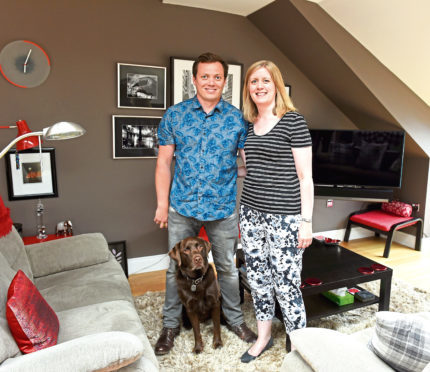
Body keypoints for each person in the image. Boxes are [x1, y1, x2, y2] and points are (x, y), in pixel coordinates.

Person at [153, 52, 257, 355]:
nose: (211, 82)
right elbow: (163, 163)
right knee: (177, 270)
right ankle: (170, 325)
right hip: (182, 206)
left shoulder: (237, 118)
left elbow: (247, 164)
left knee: (226, 267)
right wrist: (162, 204)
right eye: (205, 76)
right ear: (194, 79)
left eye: (217, 76)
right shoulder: (175, 115)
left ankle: (234, 320)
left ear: (224, 81)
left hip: (222, 208)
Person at [238, 60, 314, 363]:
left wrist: (306, 222)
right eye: (253, 81)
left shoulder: (293, 121)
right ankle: (264, 337)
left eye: (265, 81)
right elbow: (250, 168)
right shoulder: (247, 125)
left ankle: (299, 347)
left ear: (276, 85)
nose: (259, 86)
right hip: (251, 214)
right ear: (248, 88)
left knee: (286, 283)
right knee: (257, 278)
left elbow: (305, 176)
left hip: (285, 217)